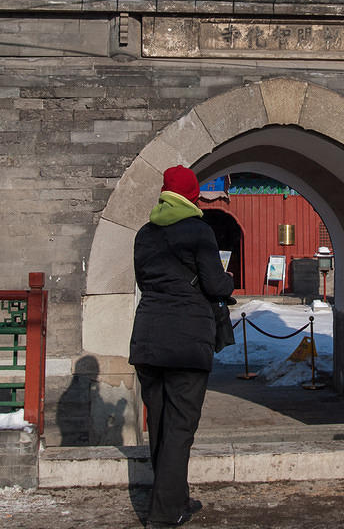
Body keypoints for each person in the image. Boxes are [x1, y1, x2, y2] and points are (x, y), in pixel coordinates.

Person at [129, 165, 234, 528]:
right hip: (187, 341)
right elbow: (215, 285)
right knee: (180, 428)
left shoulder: (144, 234)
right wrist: (228, 279)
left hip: (148, 338)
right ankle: (164, 514)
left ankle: (173, 497)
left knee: (159, 425)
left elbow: (146, 281)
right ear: (192, 195)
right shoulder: (198, 232)